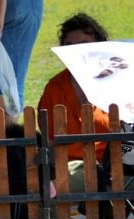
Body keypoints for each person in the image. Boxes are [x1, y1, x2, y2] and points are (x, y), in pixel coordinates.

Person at [37, 12, 111, 192]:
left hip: (114, 167)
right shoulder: (54, 88)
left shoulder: (115, 83)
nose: (76, 51)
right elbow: (50, 141)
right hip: (69, 168)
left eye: (83, 45)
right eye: (69, 46)